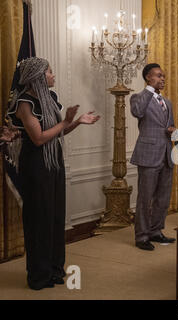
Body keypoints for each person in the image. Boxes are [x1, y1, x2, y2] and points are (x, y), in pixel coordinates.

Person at [7, 57, 100, 290]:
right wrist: (66, 121)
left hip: (54, 161)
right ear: (38, 76)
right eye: (49, 71)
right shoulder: (24, 103)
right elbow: (38, 138)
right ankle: (39, 275)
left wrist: (77, 122)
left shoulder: (51, 97)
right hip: (36, 165)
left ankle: (55, 270)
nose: (53, 75)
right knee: (39, 218)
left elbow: (57, 133)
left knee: (55, 216)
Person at [130, 63, 176, 251]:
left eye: (163, 76)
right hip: (148, 154)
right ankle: (142, 236)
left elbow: (169, 125)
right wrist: (149, 89)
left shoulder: (168, 102)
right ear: (148, 77)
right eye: (158, 76)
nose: (162, 79)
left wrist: (173, 131)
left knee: (163, 197)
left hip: (166, 153)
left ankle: (156, 231)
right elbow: (138, 112)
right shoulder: (138, 97)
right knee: (145, 197)